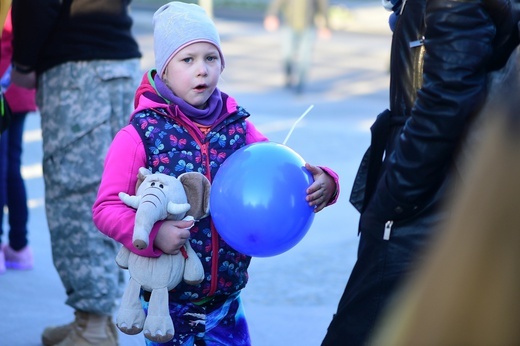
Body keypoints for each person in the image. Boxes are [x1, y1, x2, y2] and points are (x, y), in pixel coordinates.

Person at [92, 2, 340, 345]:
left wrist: (324, 180)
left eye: (211, 58)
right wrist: (153, 236)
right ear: (164, 70)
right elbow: (106, 208)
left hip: (227, 303)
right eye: (187, 59)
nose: (202, 70)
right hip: (167, 308)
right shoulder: (140, 134)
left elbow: (278, 172)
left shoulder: (239, 129)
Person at [321, 0, 519, 345]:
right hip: (439, 182)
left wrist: (394, 199)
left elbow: (448, 94)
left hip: (426, 189)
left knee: (358, 328)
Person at [10, 0, 142, 345]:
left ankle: (94, 326)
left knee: (76, 194)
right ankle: (94, 317)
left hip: (78, 71)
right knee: (113, 190)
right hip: (118, 61)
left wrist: (24, 61)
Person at [0, 3, 37, 274]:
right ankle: (19, 246)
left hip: (5, 86)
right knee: (12, 165)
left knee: (3, 168)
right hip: (19, 89)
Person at [263, 0, 331, 94]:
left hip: (308, 26)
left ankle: (300, 84)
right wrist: (272, 15)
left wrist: (325, 25)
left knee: (305, 57)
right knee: (287, 55)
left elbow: (322, 5)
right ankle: (288, 76)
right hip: (289, 25)